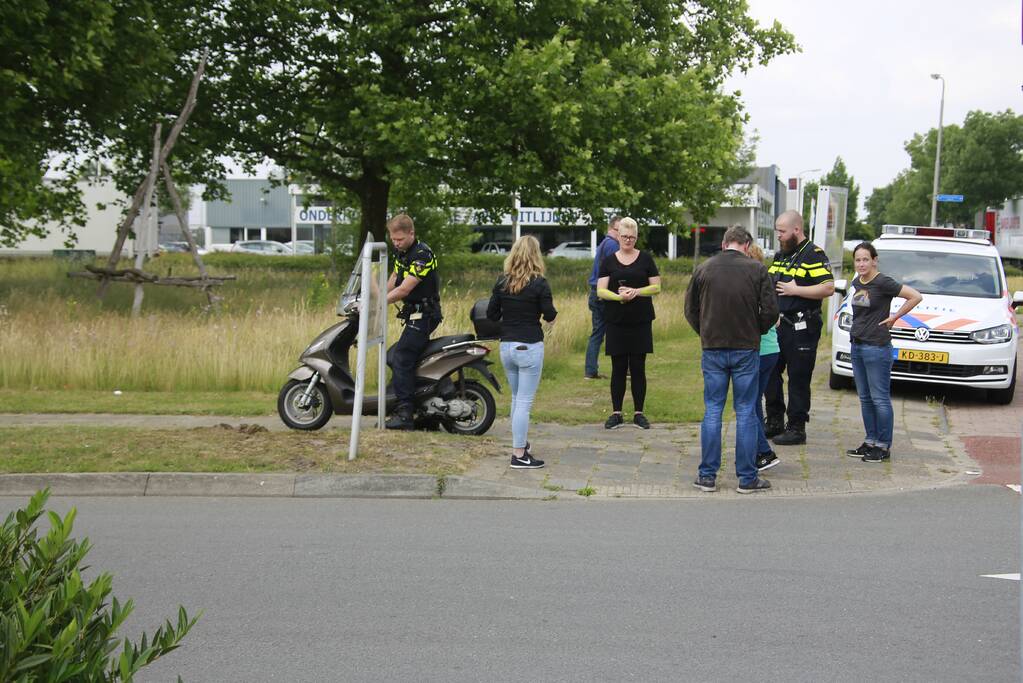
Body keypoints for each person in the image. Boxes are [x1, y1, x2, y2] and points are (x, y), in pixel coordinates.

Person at [685, 226, 778, 494]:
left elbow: (690, 309)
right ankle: (747, 478)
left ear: (725, 244)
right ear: (746, 245)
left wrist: (704, 332)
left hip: (713, 346)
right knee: (746, 411)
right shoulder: (757, 270)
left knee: (713, 408)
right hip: (745, 347)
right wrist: (756, 329)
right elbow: (771, 311)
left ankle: (707, 476)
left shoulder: (703, 269)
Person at [844, 242, 922, 463]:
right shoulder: (857, 281)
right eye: (858, 260)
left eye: (865, 259)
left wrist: (896, 317)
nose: (861, 264)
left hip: (877, 347)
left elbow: (915, 296)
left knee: (879, 398)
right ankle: (870, 441)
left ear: (874, 260)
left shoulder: (883, 282)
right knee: (865, 398)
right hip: (857, 345)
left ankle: (883, 445)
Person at [764, 210, 835, 446]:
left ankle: (796, 427)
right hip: (778, 324)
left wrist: (797, 290)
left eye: (782, 232)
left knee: (798, 377)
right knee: (771, 373)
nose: (779, 237)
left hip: (802, 326)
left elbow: (827, 288)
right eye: (777, 232)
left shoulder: (813, 255)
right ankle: (774, 420)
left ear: (796, 230)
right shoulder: (781, 255)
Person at [486, 236, 557, 469]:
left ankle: (522, 445)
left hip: (506, 347)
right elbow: (549, 314)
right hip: (529, 346)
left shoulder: (502, 282)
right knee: (524, 403)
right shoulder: (539, 283)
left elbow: (491, 314)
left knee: (517, 399)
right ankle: (519, 454)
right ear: (536, 255)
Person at [596, 217, 661, 429]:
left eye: (632, 237)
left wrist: (637, 292)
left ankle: (638, 412)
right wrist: (618, 297)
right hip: (616, 320)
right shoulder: (609, 261)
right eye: (624, 237)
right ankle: (616, 412)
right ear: (618, 235)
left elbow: (656, 287)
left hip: (640, 320)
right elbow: (601, 290)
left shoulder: (645, 259)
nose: (628, 241)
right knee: (618, 367)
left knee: (638, 367)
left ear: (636, 237)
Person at [384, 214, 441, 430]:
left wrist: (379, 304)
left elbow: (405, 289)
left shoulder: (422, 255)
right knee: (393, 356)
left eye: (400, 239)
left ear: (411, 233)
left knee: (402, 358)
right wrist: (374, 296)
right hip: (414, 315)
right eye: (393, 239)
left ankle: (406, 413)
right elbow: (393, 280)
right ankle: (419, 403)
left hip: (425, 315)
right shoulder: (403, 252)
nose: (396, 243)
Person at [748, 243, 781, 472]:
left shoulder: (755, 284)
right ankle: (758, 450)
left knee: (749, 404)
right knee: (753, 402)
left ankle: (764, 452)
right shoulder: (763, 282)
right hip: (769, 349)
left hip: (762, 350)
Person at [585, 215, 621, 379]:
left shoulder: (604, 243)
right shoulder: (612, 245)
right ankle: (622, 367)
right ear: (611, 228)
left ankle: (591, 370)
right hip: (603, 293)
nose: (622, 234)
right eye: (618, 230)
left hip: (595, 291)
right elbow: (615, 271)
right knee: (617, 330)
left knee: (597, 333)